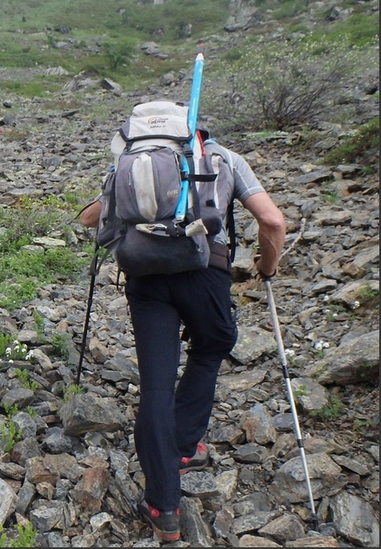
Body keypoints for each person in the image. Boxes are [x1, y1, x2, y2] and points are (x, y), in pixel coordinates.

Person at [81, 126, 286, 543]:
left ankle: (163, 507)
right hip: (204, 271)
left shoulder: (135, 161)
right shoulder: (224, 157)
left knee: (156, 387)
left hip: (146, 277)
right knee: (212, 346)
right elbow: (272, 220)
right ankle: (186, 446)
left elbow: (90, 218)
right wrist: (267, 268)